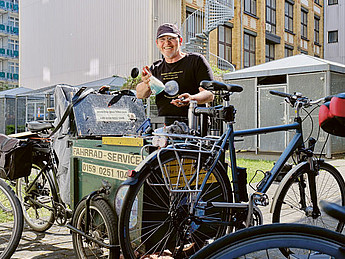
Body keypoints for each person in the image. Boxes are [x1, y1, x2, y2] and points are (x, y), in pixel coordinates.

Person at [136, 23, 214, 119]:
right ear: (157, 43)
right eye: (162, 40)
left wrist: (192, 99)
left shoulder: (196, 61)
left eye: (171, 38)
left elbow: (209, 94)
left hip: (194, 124)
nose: (167, 43)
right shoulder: (156, 67)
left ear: (180, 41)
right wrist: (146, 82)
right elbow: (140, 95)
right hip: (164, 126)